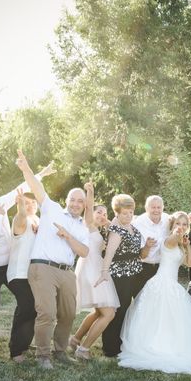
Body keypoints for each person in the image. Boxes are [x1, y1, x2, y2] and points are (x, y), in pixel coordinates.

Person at [0, 165, 55, 358]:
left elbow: (21, 186)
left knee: (28, 303)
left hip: (10, 266)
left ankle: (20, 342)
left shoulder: (0, 202)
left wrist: (41, 174)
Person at [118, 212, 191, 374]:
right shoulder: (169, 240)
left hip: (173, 285)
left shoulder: (181, 243)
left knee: (174, 319)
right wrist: (176, 233)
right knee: (157, 317)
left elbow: (190, 264)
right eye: (178, 224)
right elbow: (173, 239)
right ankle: (154, 346)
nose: (181, 227)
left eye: (184, 224)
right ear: (172, 227)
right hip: (160, 284)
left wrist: (187, 245)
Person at [16, 149, 90, 369]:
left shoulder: (82, 226)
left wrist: (68, 236)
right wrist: (25, 168)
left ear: (84, 205)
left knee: (68, 314)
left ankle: (60, 351)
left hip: (67, 271)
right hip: (43, 268)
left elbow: (84, 251)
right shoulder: (52, 209)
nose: (76, 204)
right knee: (47, 312)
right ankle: (43, 356)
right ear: (66, 200)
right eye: (73, 200)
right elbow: (36, 187)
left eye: (80, 201)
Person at [69, 182, 120, 360]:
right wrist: (90, 192)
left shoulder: (99, 231)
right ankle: (83, 349)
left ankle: (75, 340)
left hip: (96, 269)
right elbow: (89, 207)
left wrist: (108, 225)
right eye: (100, 212)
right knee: (109, 313)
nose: (102, 215)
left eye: (105, 213)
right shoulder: (88, 224)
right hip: (91, 270)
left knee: (100, 312)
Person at [99, 194, 152, 357]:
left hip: (135, 272)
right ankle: (111, 347)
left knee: (135, 308)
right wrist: (104, 273)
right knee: (119, 309)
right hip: (120, 274)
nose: (128, 216)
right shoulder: (116, 230)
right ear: (117, 213)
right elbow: (109, 254)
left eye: (130, 212)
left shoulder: (133, 228)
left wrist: (148, 246)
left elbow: (140, 254)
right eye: (124, 213)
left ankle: (128, 341)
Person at [5, 191, 40, 363]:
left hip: (33, 275)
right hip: (18, 274)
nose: (30, 206)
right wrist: (20, 209)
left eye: (33, 203)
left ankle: (22, 343)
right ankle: (16, 350)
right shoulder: (20, 220)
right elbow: (20, 217)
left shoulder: (37, 221)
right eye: (25, 203)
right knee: (27, 307)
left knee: (32, 309)